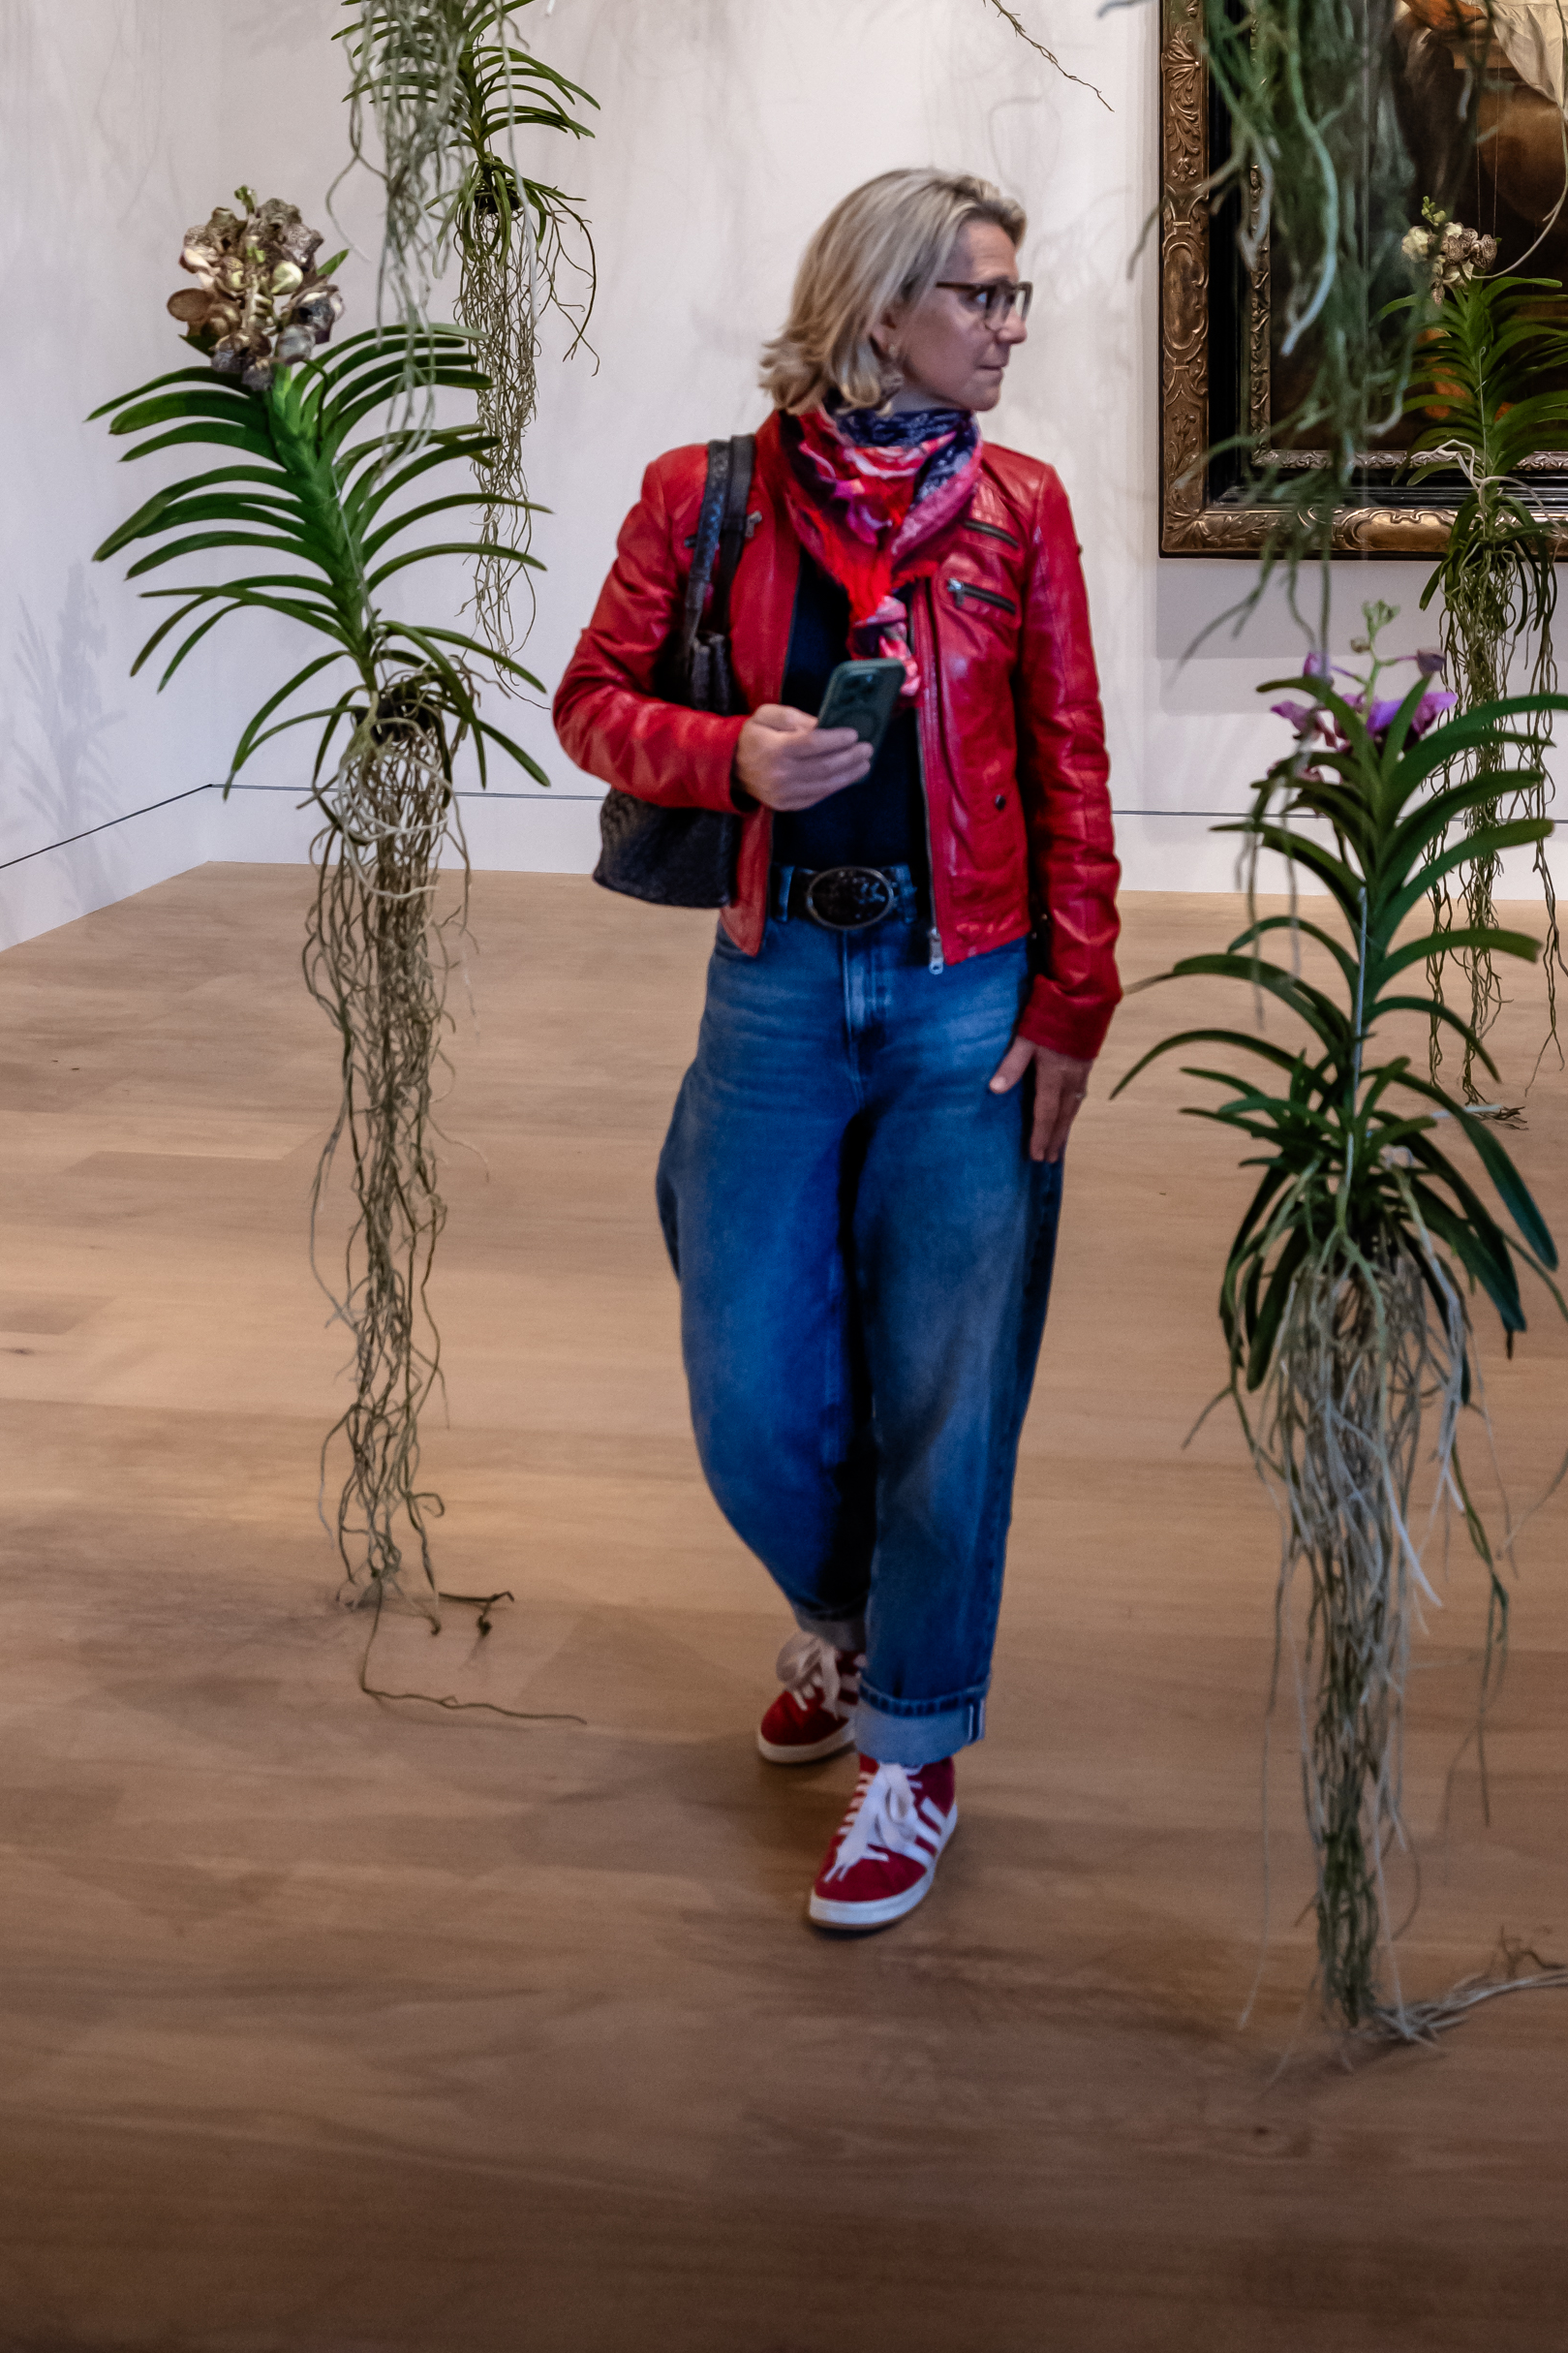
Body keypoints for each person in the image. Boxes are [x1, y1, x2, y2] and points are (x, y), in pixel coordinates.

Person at [553, 170, 1121, 1938]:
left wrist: (1073, 1002)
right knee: (747, 1378)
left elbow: (1072, 767)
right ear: (882, 313)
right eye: (982, 298)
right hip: (780, 982)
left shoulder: (1019, 509)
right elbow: (589, 706)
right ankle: (852, 1612)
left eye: (1018, 300)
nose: (1008, 328)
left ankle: (912, 1747)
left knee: (954, 1385)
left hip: (968, 984)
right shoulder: (700, 497)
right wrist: (730, 758)